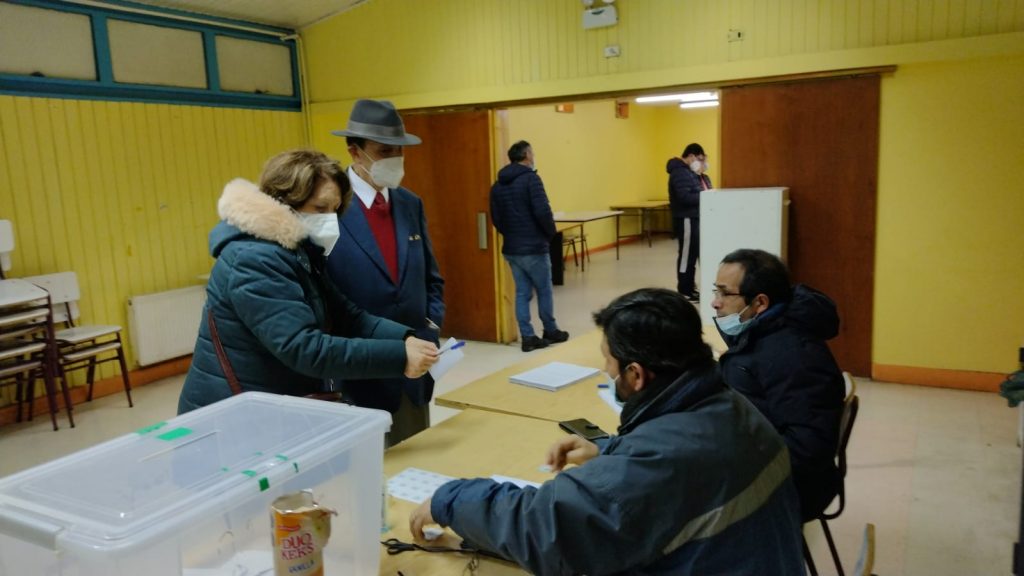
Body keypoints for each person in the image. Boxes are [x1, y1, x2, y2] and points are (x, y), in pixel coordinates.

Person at [410, 288, 804, 575]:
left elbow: (546, 529)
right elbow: (680, 468)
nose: (607, 372)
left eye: (610, 364)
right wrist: (610, 450)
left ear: (635, 374)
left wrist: (451, 499)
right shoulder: (732, 405)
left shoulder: (662, 461)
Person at [177, 150, 439, 414]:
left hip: (269, 404)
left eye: (336, 210)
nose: (330, 219)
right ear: (284, 200)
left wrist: (406, 338)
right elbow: (305, 348)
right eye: (320, 208)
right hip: (231, 417)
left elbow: (348, 316)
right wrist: (399, 357)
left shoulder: (298, 251)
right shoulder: (253, 259)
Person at [327, 99, 445, 446]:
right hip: (358, 373)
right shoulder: (329, 208)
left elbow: (431, 277)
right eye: (383, 151)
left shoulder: (409, 203)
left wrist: (431, 325)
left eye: (399, 151)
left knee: (418, 464)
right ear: (354, 152)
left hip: (416, 370)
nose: (394, 160)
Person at [711, 248, 845, 522]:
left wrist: (725, 460)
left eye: (725, 293)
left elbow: (807, 451)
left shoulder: (794, 356)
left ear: (760, 303)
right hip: (761, 461)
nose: (715, 303)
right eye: (716, 291)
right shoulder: (763, 333)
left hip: (788, 488)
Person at [489, 140, 569, 352]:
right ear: (526, 155)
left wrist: (511, 234)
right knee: (544, 289)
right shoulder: (531, 179)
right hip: (533, 247)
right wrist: (551, 233)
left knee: (522, 293)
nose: (534, 156)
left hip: (512, 249)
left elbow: (496, 218)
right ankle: (550, 330)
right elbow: (543, 211)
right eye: (532, 152)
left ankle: (528, 336)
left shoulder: (497, 185)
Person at [666, 142, 711, 301]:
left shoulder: (697, 175)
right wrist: (707, 196)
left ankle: (691, 287)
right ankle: (685, 290)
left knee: (694, 254)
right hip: (687, 218)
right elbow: (685, 197)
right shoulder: (679, 172)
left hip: (697, 218)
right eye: (700, 159)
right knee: (687, 255)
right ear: (691, 156)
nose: (702, 163)